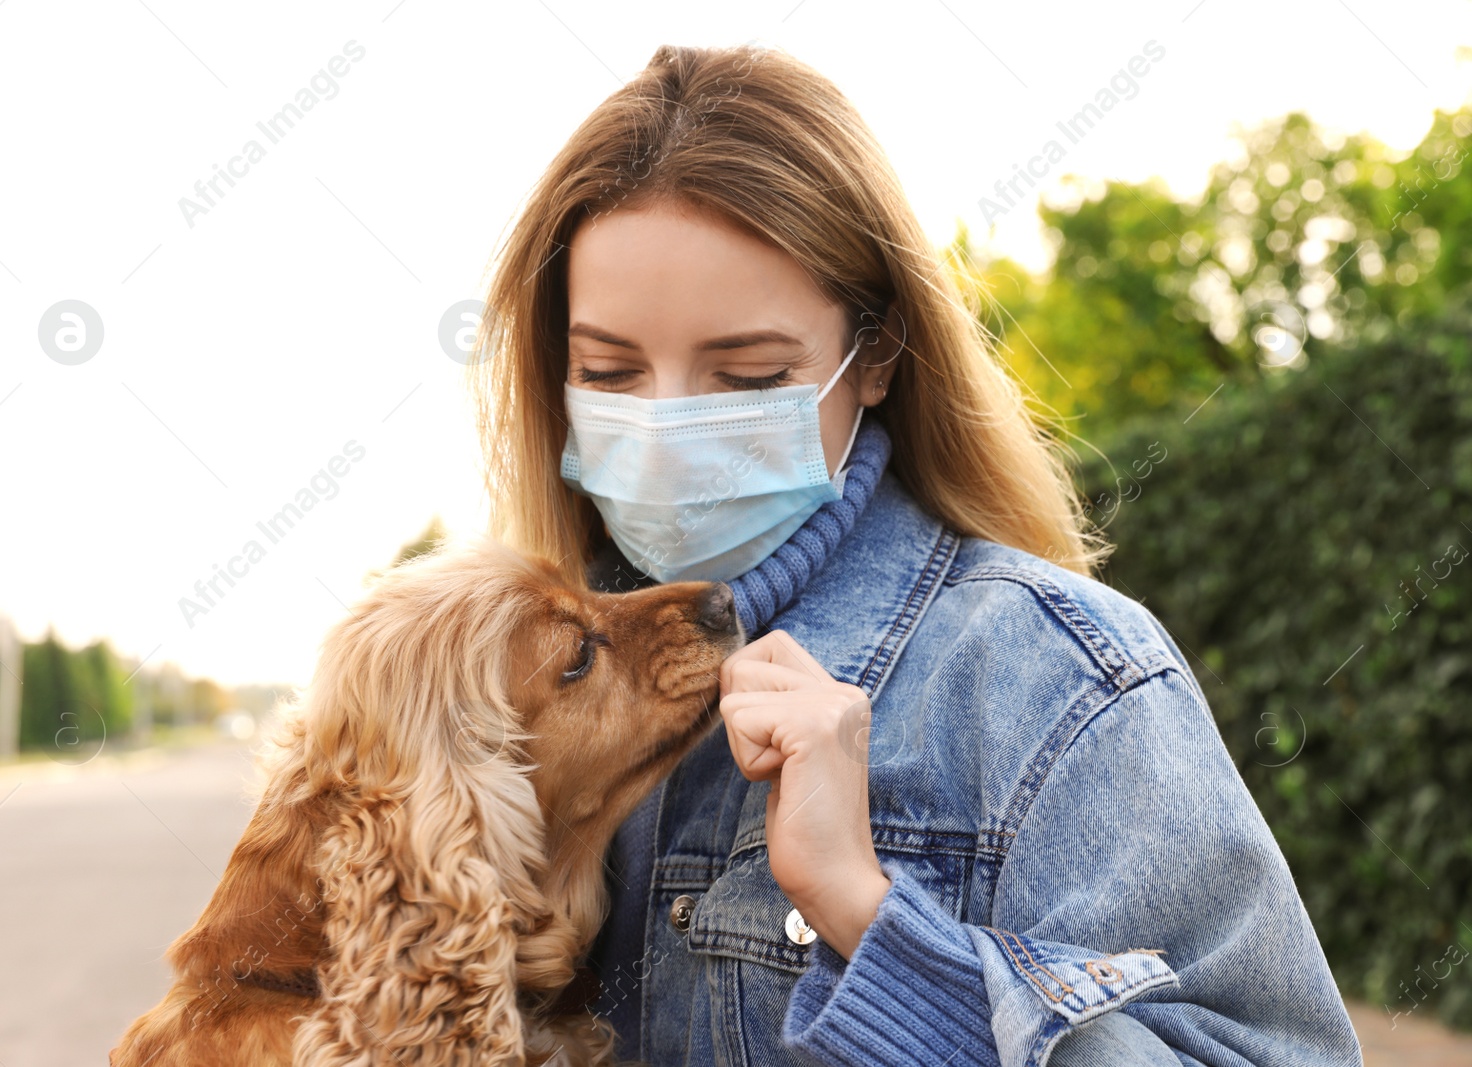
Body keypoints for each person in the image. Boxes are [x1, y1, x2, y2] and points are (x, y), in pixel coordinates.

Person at [468, 42, 1362, 1067]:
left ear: (879, 352)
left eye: (747, 372)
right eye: (608, 369)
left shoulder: (1059, 679)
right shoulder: (487, 683)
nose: (666, 423)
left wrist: (863, 906)